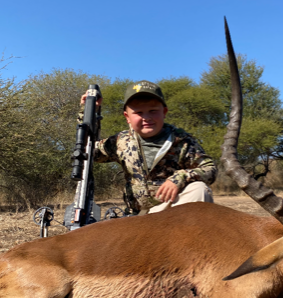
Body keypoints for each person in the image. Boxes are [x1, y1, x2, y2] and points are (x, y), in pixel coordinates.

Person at [80, 80, 217, 215]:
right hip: (137, 217)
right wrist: (88, 111)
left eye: (153, 111)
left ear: (164, 112)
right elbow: (90, 151)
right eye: (139, 113)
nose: (146, 118)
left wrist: (180, 177)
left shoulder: (182, 141)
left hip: (170, 211)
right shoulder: (120, 141)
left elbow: (209, 168)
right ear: (127, 117)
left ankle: (185, 236)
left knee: (199, 189)